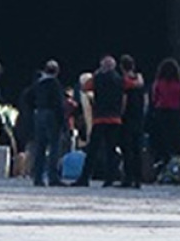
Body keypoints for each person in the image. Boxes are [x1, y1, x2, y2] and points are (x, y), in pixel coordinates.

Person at [73, 56, 123, 187]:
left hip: (100, 118)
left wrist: (96, 73)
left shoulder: (97, 78)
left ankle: (84, 178)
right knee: (110, 150)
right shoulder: (119, 79)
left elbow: (84, 87)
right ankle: (110, 179)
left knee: (93, 150)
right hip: (115, 119)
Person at [30, 59, 65, 187]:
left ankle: (38, 177)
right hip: (52, 115)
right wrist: (63, 121)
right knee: (54, 147)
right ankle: (53, 177)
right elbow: (59, 104)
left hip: (39, 114)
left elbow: (29, 98)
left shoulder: (38, 84)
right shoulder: (54, 83)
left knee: (40, 147)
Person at [150, 58, 180, 170]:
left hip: (161, 113)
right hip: (176, 114)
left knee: (161, 139)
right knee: (174, 139)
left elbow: (154, 98)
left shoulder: (158, 83)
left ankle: (161, 161)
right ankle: (174, 163)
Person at [120, 55, 147, 187]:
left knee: (127, 149)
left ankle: (128, 178)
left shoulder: (124, 82)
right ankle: (138, 178)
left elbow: (124, 101)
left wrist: (121, 114)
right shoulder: (140, 80)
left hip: (128, 118)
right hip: (139, 117)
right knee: (138, 149)